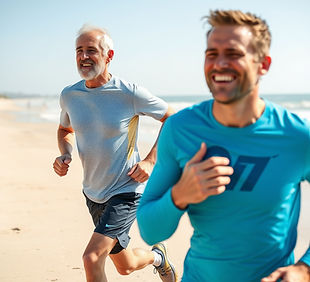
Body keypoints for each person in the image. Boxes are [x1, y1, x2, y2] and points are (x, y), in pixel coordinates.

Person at [137, 9, 310, 282]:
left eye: (234, 54)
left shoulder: (298, 136)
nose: (219, 64)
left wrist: (305, 269)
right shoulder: (180, 130)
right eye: (211, 54)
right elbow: (149, 230)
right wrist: (180, 194)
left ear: (263, 64)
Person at [53, 24, 177, 282]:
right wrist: (65, 153)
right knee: (126, 265)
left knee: (92, 258)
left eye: (91, 51)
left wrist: (151, 160)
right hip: (93, 193)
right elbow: (65, 129)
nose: (84, 56)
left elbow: (172, 119)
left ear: (109, 56)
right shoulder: (70, 95)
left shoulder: (129, 93)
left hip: (126, 190)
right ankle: (158, 258)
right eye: (79, 51)